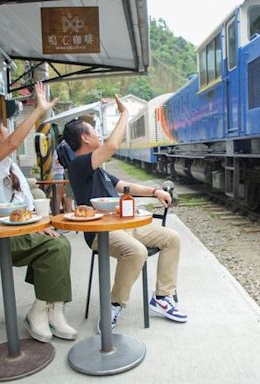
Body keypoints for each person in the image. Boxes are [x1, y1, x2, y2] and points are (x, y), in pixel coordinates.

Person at [63, 95, 187, 330]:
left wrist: (154, 191)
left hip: (125, 225)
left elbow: (125, 187)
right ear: (85, 137)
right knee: (137, 252)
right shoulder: (79, 166)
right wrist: (125, 114)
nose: (99, 135)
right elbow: (111, 146)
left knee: (172, 239)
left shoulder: (98, 169)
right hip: (101, 232)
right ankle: (115, 304)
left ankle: (162, 298)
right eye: (94, 131)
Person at [0, 82, 77, 343]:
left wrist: (40, 225)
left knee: (57, 242)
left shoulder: (6, 165)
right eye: (3, 126)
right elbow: (15, 142)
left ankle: (52, 310)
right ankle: (41, 310)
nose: (8, 131)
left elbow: (25, 207)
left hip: (18, 234)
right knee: (57, 248)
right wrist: (38, 110)